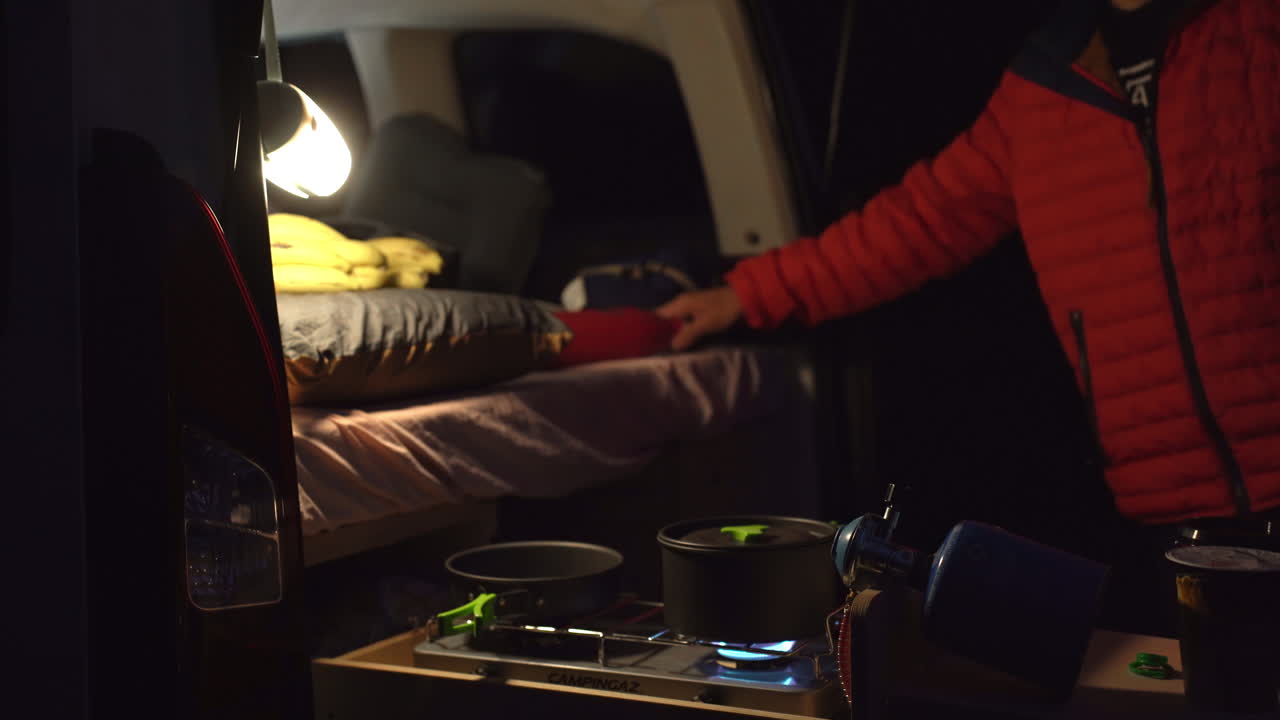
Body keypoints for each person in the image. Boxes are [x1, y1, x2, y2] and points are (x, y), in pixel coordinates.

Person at [658, 0, 1279, 632]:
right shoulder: (1047, 78)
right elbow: (922, 220)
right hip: (1167, 516)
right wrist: (748, 293)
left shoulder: (1257, 29)